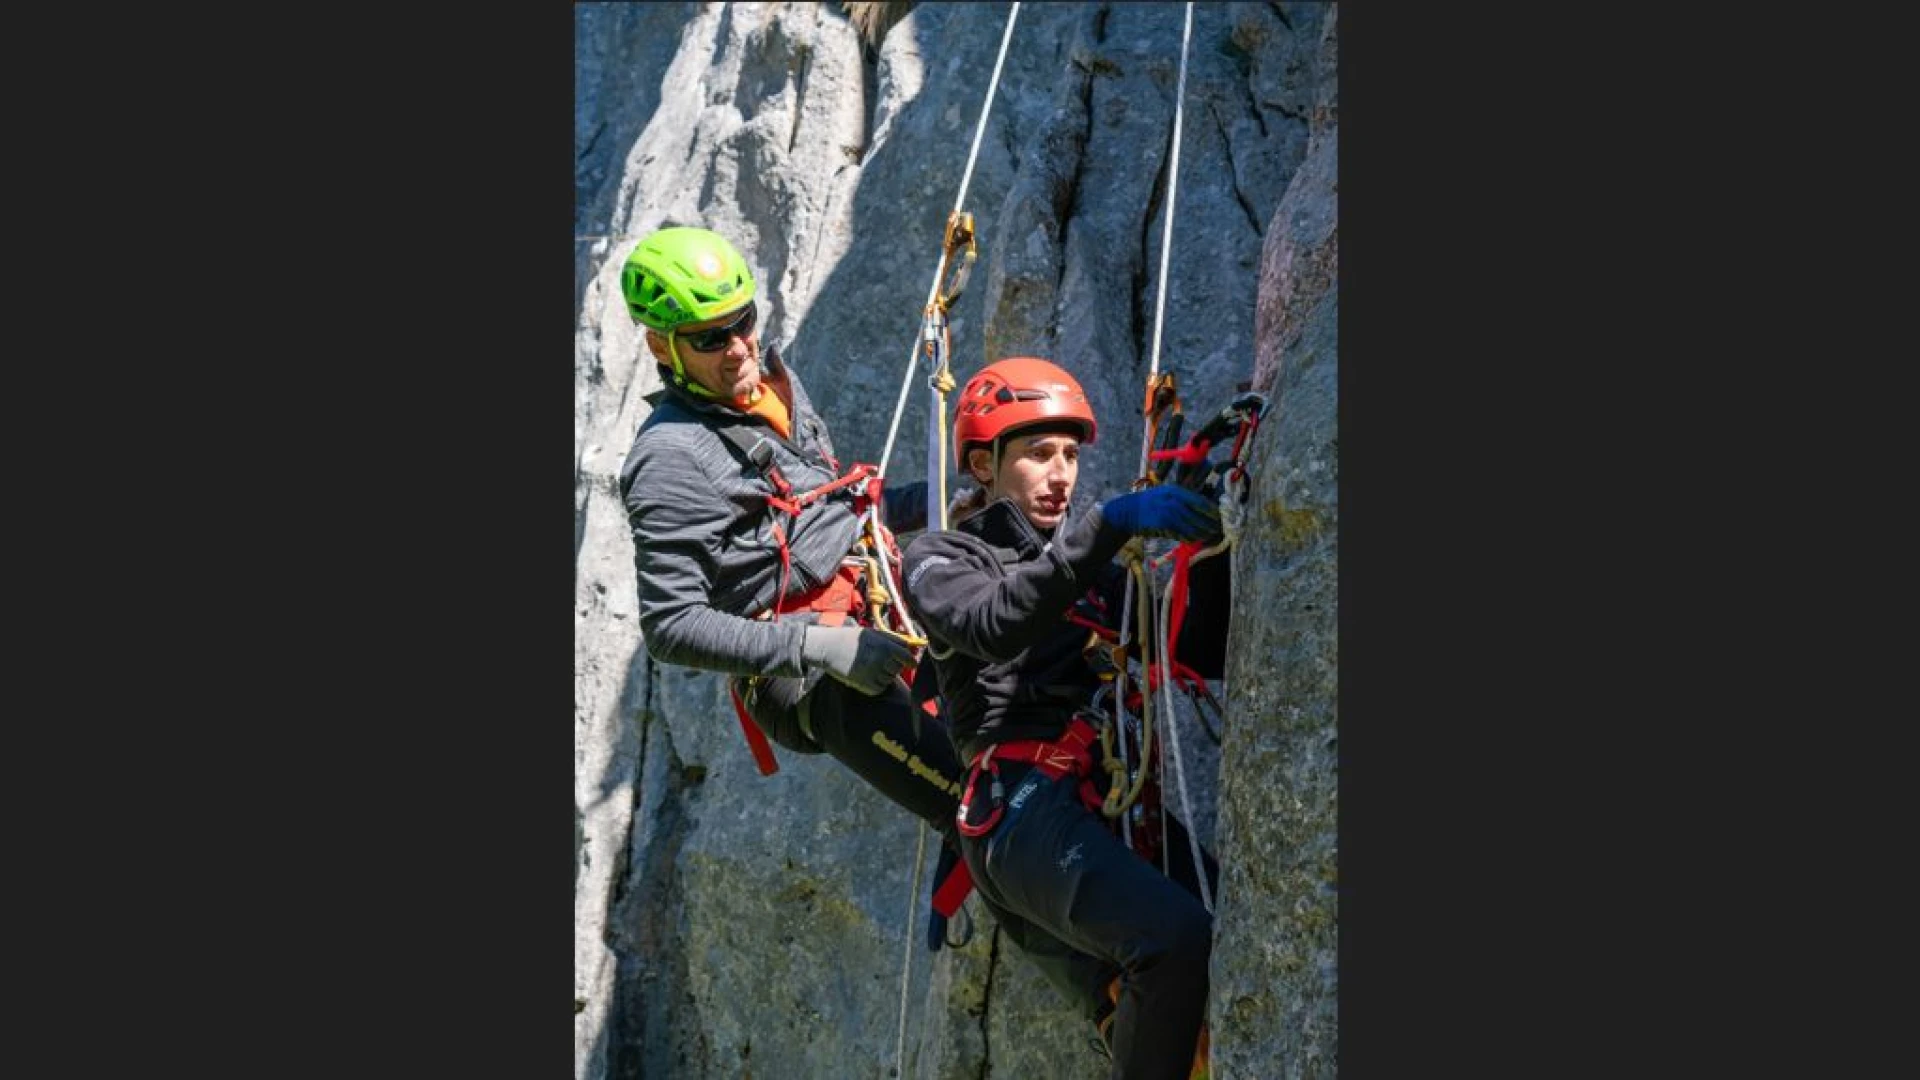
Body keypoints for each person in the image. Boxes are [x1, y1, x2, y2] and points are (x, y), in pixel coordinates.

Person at [901, 357, 1231, 1079]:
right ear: (984, 464)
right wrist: (1108, 524)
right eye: (1038, 454)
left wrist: (1209, 546)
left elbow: (1199, 650)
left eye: (1072, 456)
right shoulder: (943, 558)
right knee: (1175, 939)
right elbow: (993, 623)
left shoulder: (1092, 574)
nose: (1061, 475)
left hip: (1095, 805)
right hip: (1018, 814)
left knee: (1237, 927)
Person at [616, 224, 967, 834]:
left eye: (743, 320)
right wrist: (821, 649)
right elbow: (669, 626)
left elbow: (830, 514)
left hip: (872, 601)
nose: (737, 347)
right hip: (807, 678)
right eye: (709, 338)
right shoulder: (667, 458)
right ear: (659, 347)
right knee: (988, 812)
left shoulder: (774, 381)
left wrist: (944, 502)